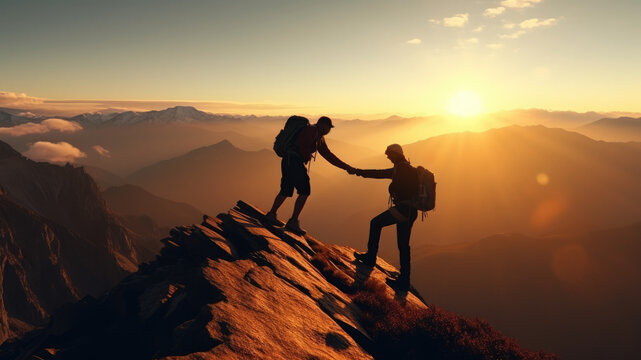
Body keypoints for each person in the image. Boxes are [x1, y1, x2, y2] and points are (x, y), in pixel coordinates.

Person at [266, 116, 355, 235]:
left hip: (288, 160)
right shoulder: (312, 131)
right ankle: (292, 221)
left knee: (286, 189)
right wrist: (306, 155)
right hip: (294, 162)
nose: (329, 130)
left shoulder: (319, 138)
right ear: (323, 125)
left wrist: (346, 167)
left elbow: (328, 155)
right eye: (329, 127)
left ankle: (271, 214)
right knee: (304, 191)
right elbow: (302, 144)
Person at [352, 144, 418, 290]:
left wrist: (358, 172)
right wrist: (359, 172)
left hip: (403, 209)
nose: (388, 157)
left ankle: (370, 258)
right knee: (403, 245)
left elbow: (382, 175)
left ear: (395, 154)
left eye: (389, 155)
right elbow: (379, 173)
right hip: (410, 211)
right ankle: (404, 280)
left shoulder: (401, 169)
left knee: (375, 223)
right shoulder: (406, 168)